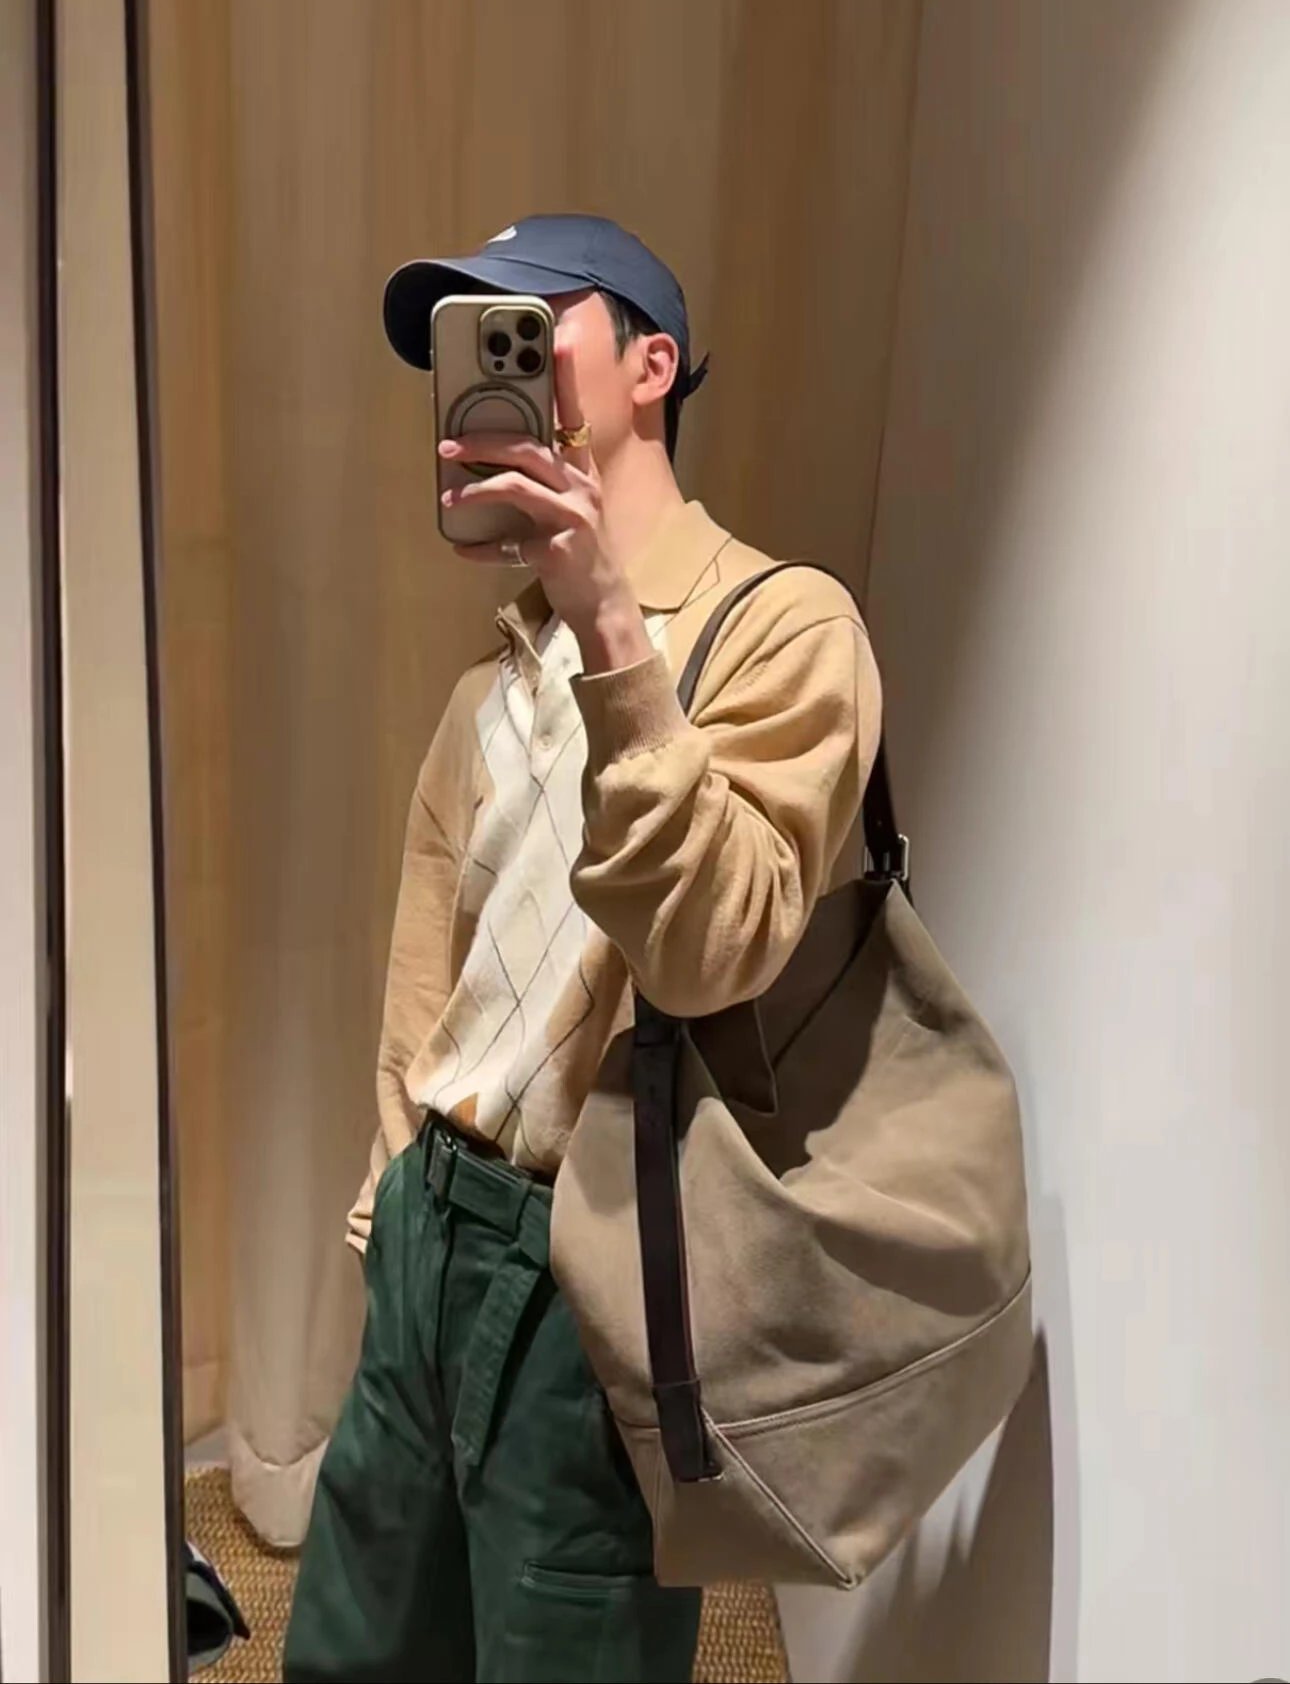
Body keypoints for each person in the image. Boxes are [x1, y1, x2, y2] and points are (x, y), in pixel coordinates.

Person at [282, 215, 882, 1684]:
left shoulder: (784, 627)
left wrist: (613, 624)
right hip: (432, 1222)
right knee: (354, 1648)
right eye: (469, 343)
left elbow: (713, 949)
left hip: (598, 1264)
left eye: (530, 329)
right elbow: (427, 976)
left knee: (571, 1649)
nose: (494, 369)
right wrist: (388, 1210)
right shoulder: (493, 672)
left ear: (650, 366)